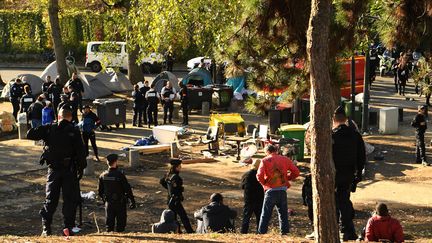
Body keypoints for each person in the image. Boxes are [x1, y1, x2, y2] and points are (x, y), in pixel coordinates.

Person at [26, 108, 86, 236]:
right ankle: (68, 227)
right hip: (69, 170)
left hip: (53, 170)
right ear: (71, 117)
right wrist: (81, 168)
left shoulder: (49, 128)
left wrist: (46, 129)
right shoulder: (74, 131)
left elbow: (29, 134)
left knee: (51, 199)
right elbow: (81, 153)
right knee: (69, 199)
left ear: (59, 117)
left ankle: (46, 227)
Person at [332, 106, 366, 241]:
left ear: (334, 120)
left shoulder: (332, 135)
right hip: (349, 173)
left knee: (337, 201)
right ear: (345, 119)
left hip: (334, 172)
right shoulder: (355, 135)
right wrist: (358, 173)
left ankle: (340, 227)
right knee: (344, 200)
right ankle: (347, 229)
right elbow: (361, 156)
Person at [256, 144, 300, 235]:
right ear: (276, 151)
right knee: (283, 214)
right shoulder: (285, 159)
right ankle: (284, 233)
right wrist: (287, 178)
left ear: (267, 152)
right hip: (282, 190)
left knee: (265, 214)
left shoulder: (264, 160)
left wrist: (265, 183)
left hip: (271, 190)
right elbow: (296, 172)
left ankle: (261, 233)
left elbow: (259, 175)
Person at [98, 154, 136, 232]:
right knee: (121, 226)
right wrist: (132, 200)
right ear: (115, 162)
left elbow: (100, 191)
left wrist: (104, 200)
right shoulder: (120, 175)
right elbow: (127, 189)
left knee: (109, 226)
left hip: (109, 203)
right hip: (120, 203)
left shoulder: (102, 175)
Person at [160, 159, 194, 233]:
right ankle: (189, 231)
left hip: (169, 199)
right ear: (176, 167)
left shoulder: (168, 175)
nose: (180, 167)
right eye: (179, 166)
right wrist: (176, 193)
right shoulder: (177, 178)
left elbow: (162, 182)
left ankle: (177, 231)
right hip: (175, 200)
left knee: (173, 217)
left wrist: (169, 190)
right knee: (183, 216)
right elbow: (176, 189)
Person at [240, 159, 264, 234]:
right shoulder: (261, 175)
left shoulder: (246, 174)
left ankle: (244, 232)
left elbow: (242, 186)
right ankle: (260, 232)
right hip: (259, 198)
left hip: (249, 199)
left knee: (246, 217)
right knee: (259, 217)